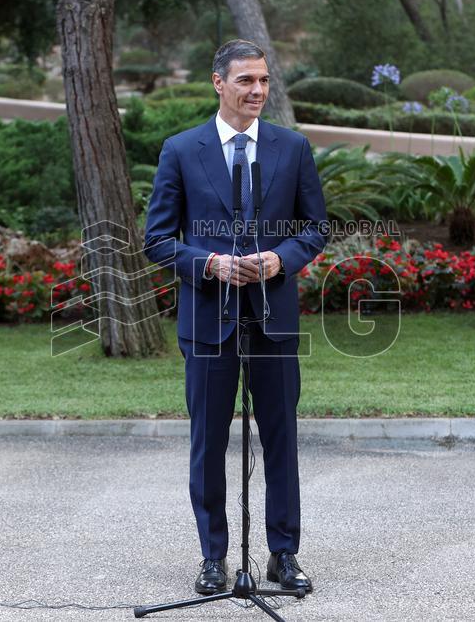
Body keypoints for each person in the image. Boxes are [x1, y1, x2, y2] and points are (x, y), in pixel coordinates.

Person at [143, 39, 327, 595]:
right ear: (218, 83)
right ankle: (213, 558)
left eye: (264, 81)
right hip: (207, 322)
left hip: (274, 321)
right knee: (207, 444)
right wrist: (209, 264)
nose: (258, 91)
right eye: (246, 80)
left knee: (281, 439)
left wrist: (278, 258)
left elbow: (315, 228)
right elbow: (156, 241)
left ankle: (283, 554)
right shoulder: (180, 150)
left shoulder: (292, 148)